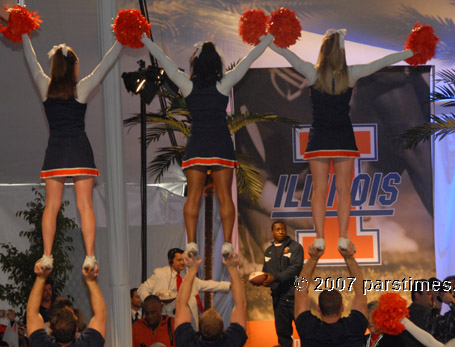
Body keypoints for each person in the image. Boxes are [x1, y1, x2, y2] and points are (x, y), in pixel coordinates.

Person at [269, 29, 414, 251]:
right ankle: (343, 237)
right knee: (344, 189)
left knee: (318, 189)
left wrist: (267, 40)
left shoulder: (312, 72)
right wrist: (410, 52)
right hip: (343, 137)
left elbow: (287, 55)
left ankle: (320, 237)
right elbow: (383, 61)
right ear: (342, 53)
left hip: (319, 137)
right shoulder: (351, 74)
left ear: (323, 51)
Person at [141, 33, 273, 258]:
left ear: (197, 62)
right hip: (220, 144)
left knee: (193, 196)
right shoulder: (225, 82)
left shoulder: (186, 83)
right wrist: (267, 40)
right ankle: (228, 243)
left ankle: (191, 243)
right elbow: (249, 59)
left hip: (198, 145)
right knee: (225, 196)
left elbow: (164, 60)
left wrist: (144, 39)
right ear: (216, 63)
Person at [20, 31, 122, 270]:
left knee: (51, 206)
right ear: (74, 66)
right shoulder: (82, 88)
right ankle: (90, 256)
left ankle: (46, 255)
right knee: (85, 205)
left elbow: (31, 59)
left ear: (54, 66)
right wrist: (122, 39)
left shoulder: (45, 85)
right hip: (79, 151)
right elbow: (105, 64)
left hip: (55, 152)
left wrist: (24, 33)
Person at [294, 242, 368, 346]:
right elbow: (361, 292)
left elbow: (300, 293)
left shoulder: (308, 328)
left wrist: (313, 259)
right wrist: (349, 258)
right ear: (342, 308)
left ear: (318, 308)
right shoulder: (354, 327)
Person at [137, 248, 230, 328]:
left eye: (183, 260)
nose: (182, 263)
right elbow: (141, 289)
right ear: (170, 261)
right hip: (162, 321)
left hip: (184, 320)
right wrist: (152, 303)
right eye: (179, 260)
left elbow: (209, 284)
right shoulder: (159, 274)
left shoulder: (188, 277)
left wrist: (231, 284)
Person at [174, 252, 247, 346]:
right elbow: (241, 304)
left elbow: (181, 303)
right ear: (223, 330)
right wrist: (232, 268)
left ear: (199, 330)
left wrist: (192, 269)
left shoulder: (188, 343)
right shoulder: (231, 342)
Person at [26, 262, 106, 346]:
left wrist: (40, 278)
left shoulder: (41, 344)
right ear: (76, 330)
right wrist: (91, 281)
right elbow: (101, 314)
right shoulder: (88, 343)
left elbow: (32, 313)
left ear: (51, 330)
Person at [260, 221, 303, 347]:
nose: (281, 232)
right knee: (283, 335)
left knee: (305, 332)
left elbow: (295, 268)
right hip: (278, 299)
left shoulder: (295, 247)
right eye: (278, 229)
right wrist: (263, 280)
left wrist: (275, 277)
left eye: (283, 229)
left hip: (295, 298)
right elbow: (266, 271)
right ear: (272, 232)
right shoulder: (268, 251)